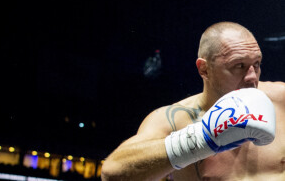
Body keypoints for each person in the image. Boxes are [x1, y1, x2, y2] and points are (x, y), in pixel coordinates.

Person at [101, 22, 285, 181]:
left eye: (257, 64)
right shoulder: (175, 119)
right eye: (239, 66)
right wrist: (201, 139)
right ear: (204, 69)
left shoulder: (281, 99)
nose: (252, 77)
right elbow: (112, 174)